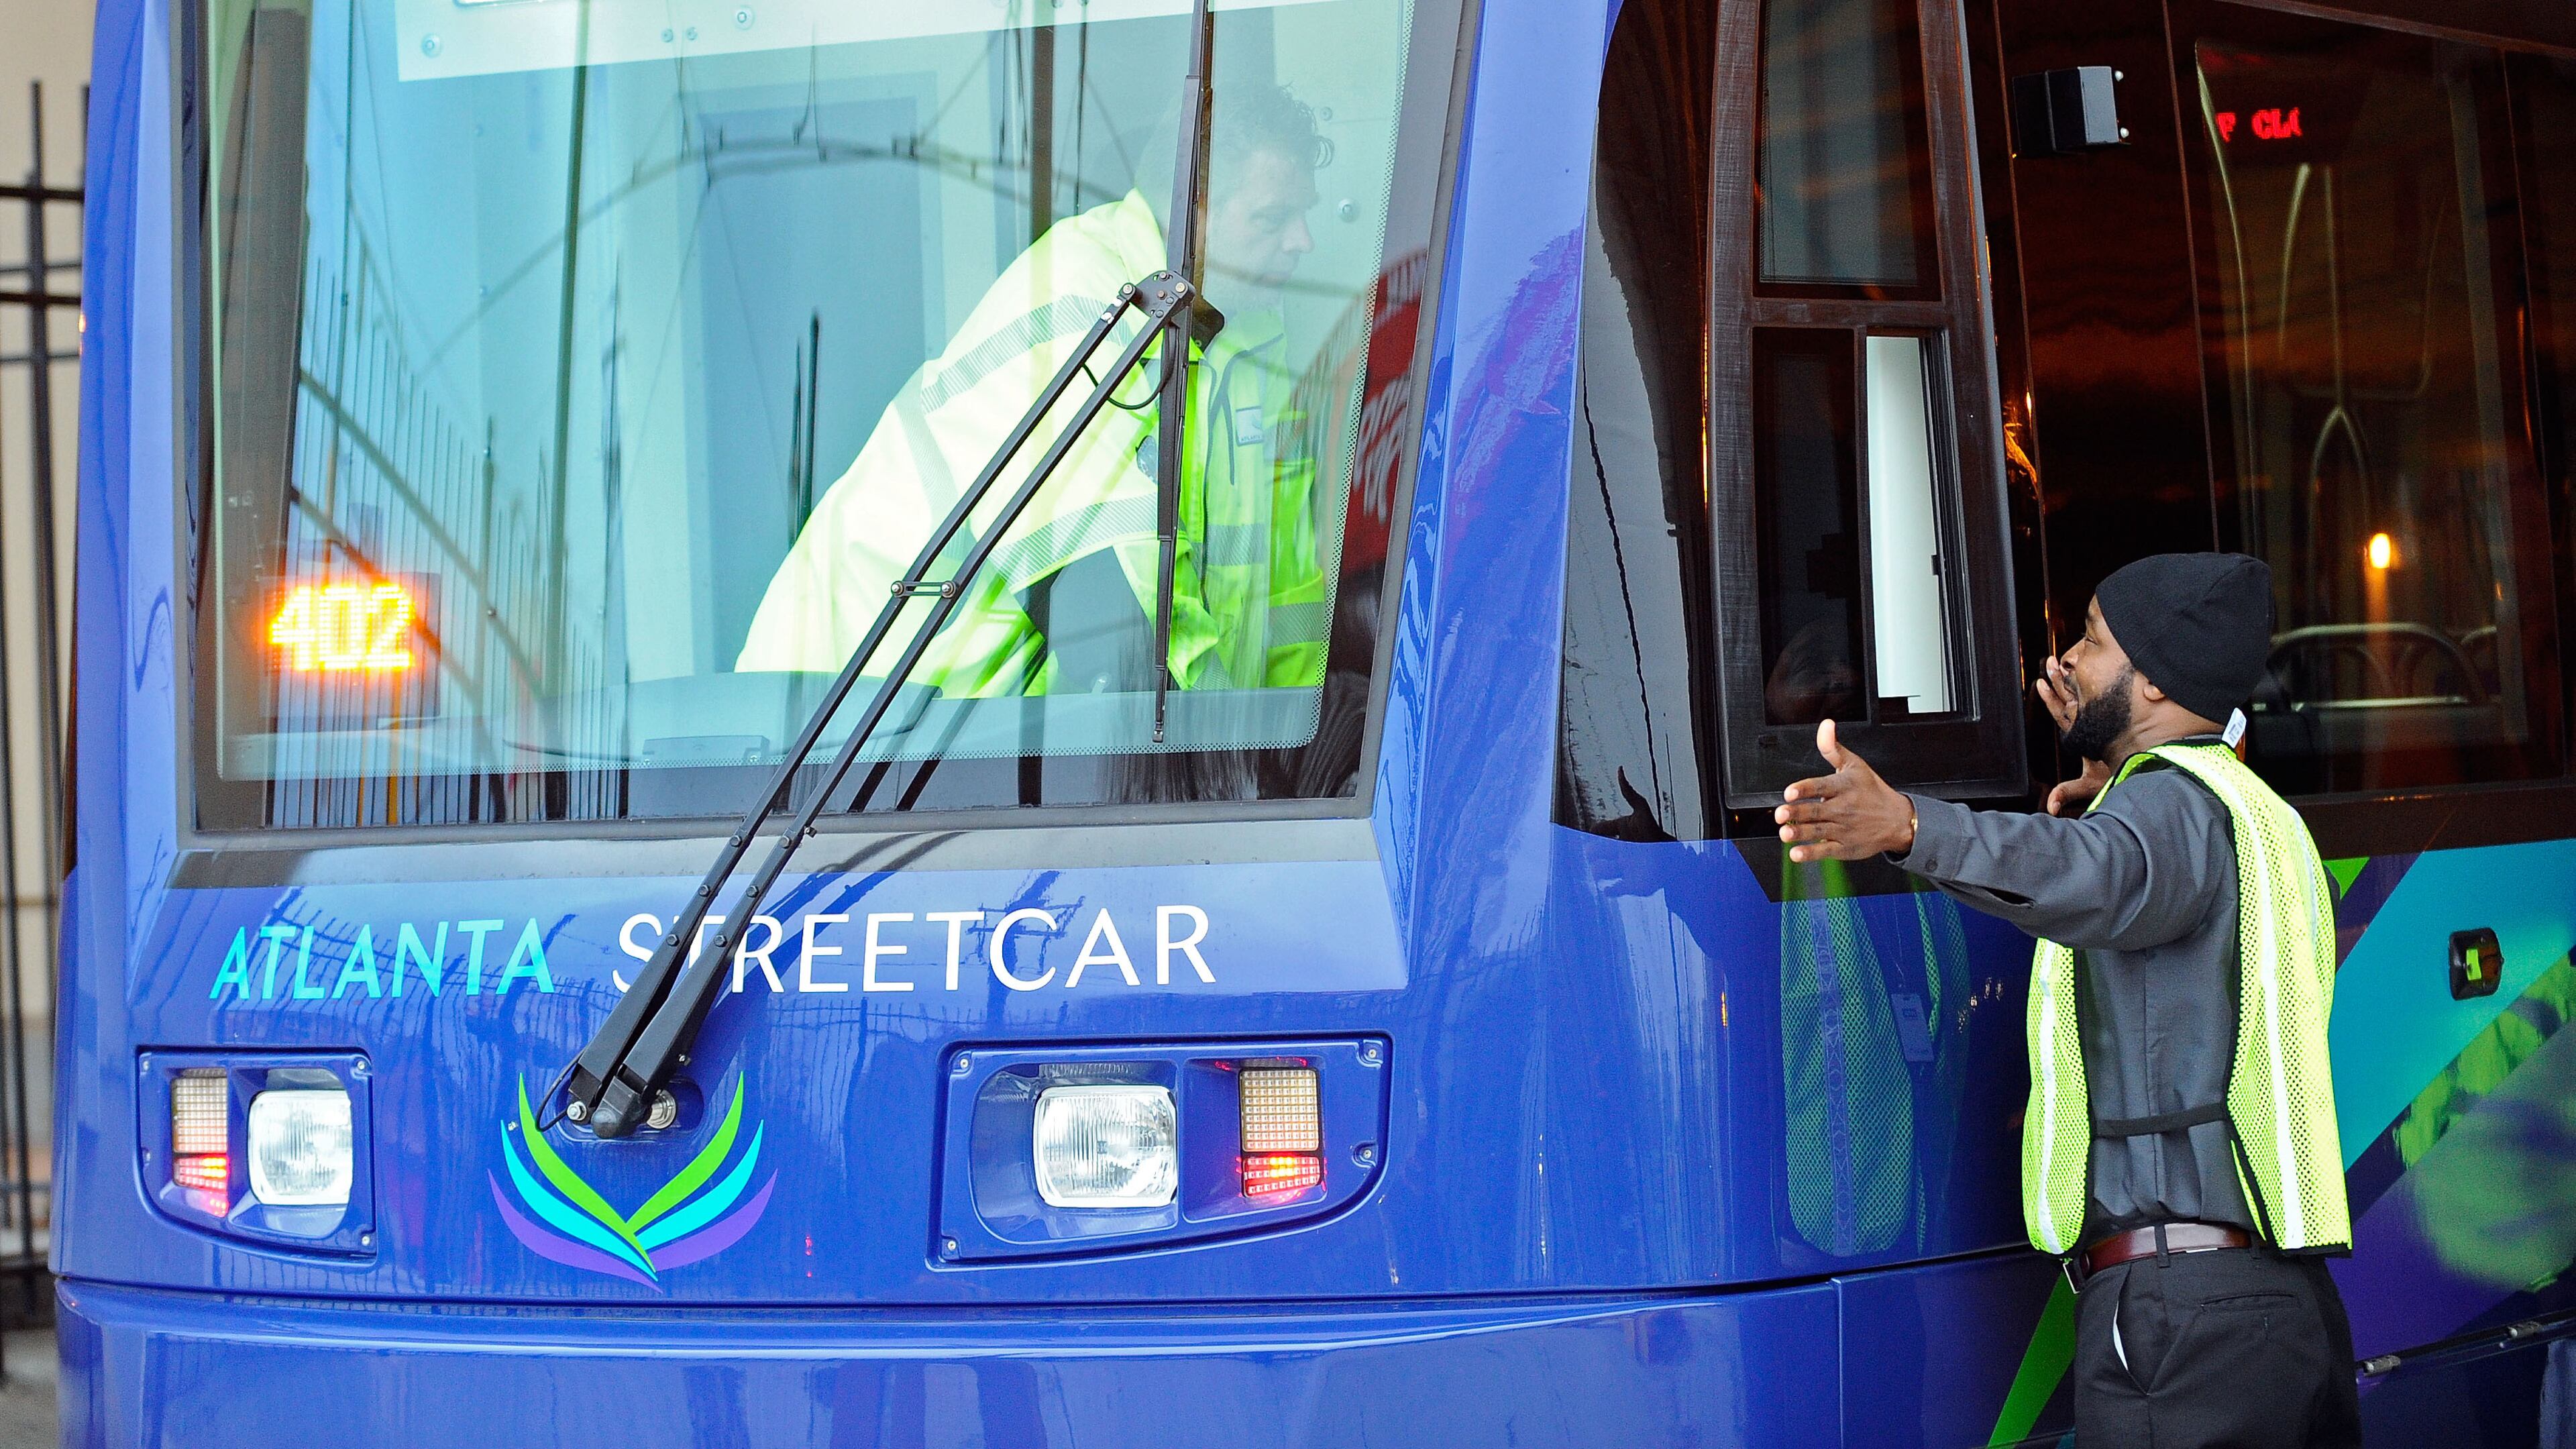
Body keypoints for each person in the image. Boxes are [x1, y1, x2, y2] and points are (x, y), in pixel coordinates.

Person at [1770, 553, 2362, 1448]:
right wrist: (2117, 788)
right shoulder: (2253, 812)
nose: (2065, 662)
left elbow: (2090, 871)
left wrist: (1909, 826)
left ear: (2154, 680)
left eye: (2091, 639)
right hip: (2277, 1307)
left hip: (2184, 1321)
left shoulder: (2171, 813)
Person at [735, 83, 1335, 698]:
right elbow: (1115, 625)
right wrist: (1223, 743)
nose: (1303, 241)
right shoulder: (1079, 300)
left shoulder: (1248, 334)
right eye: (1273, 218)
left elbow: (1284, 588)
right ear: (1190, 212)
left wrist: (1294, 724)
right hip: (849, 705)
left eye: (1305, 213)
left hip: (975, 723)